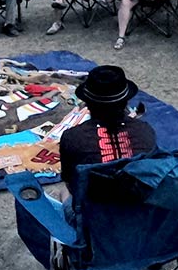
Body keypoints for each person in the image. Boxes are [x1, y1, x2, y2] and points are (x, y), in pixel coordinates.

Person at [57, 65, 157, 205]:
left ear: (87, 104)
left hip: (95, 220)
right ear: (126, 102)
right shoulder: (146, 132)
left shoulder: (72, 138)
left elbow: (70, 184)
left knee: (63, 191)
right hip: (142, 215)